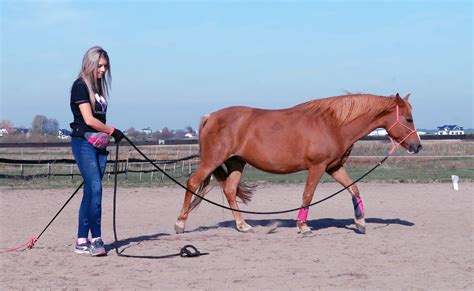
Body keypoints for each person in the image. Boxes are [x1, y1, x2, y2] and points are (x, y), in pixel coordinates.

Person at [69, 46, 124, 256]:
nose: (103, 70)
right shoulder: (80, 86)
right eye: (100, 66)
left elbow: (98, 120)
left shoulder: (98, 89)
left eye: (105, 67)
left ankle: (81, 240)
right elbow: (89, 120)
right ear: (90, 63)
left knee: (90, 192)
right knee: (96, 188)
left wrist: (106, 135)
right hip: (83, 144)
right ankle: (97, 239)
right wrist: (112, 131)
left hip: (99, 145)